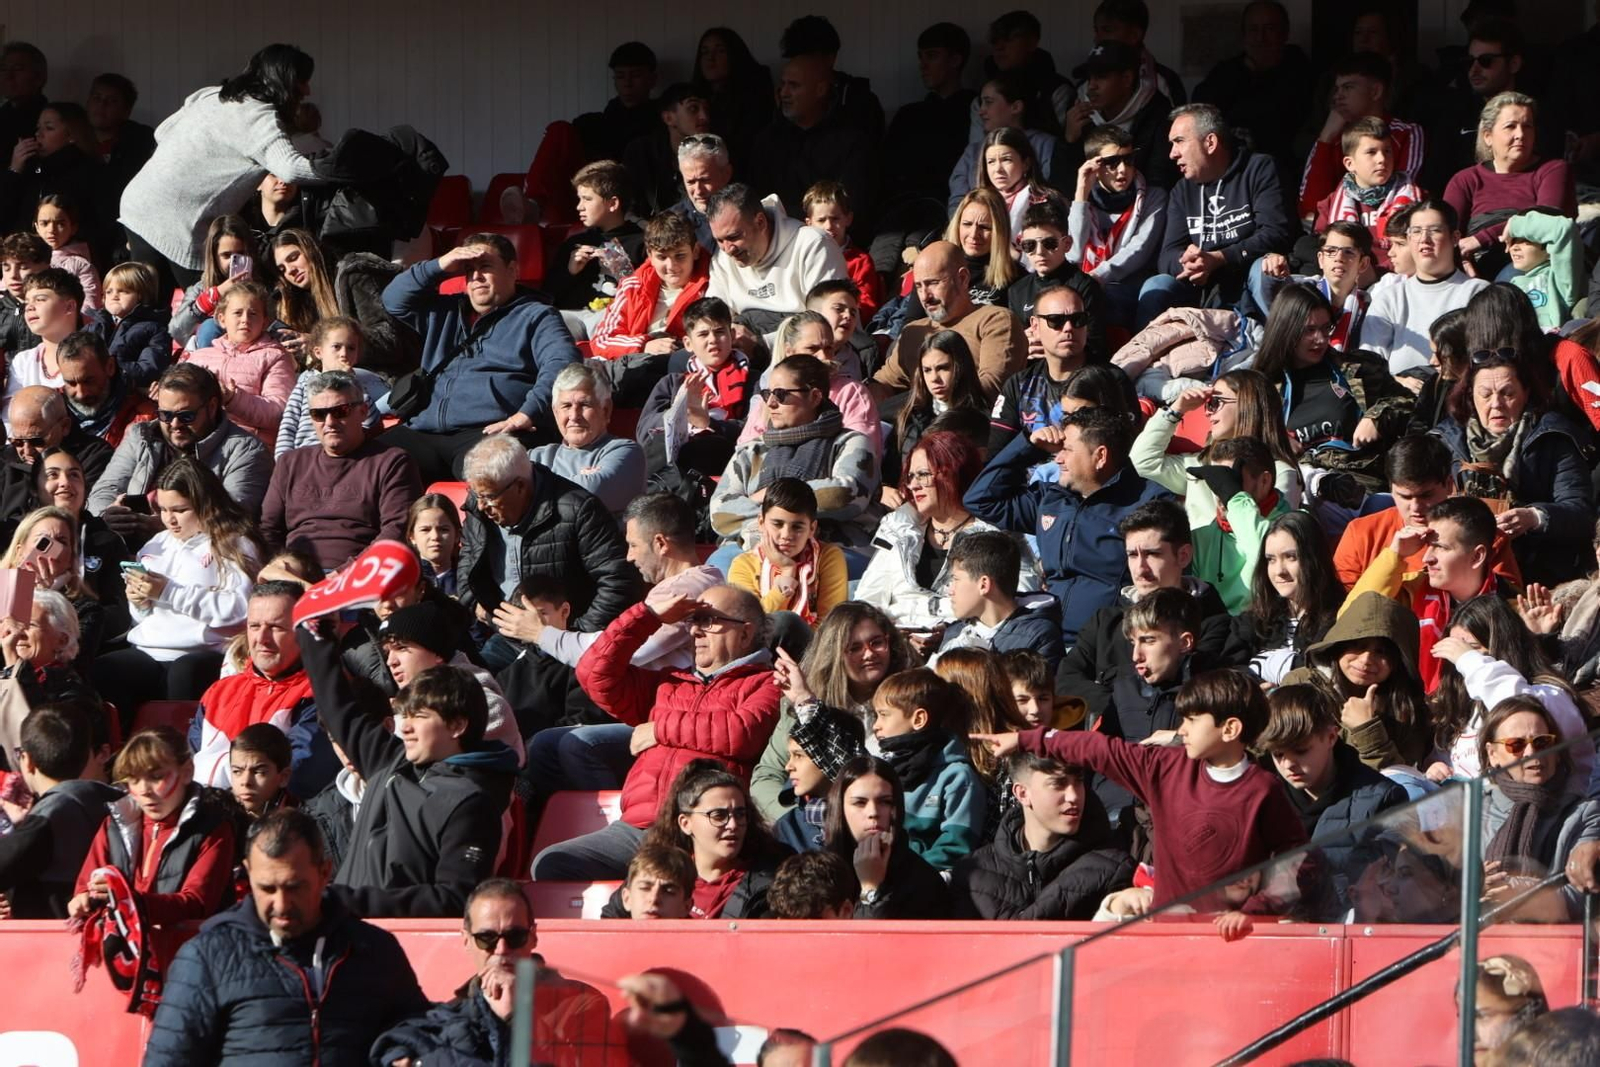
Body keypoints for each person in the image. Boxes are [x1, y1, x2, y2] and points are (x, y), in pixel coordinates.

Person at [975, 668, 1310, 911]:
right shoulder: (1165, 767)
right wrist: (1025, 739)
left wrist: (1258, 909)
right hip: (1168, 933)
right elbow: (1100, 749)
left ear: (1230, 728)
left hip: (1231, 938)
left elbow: (1296, 859)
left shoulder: (1263, 789)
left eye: (1193, 720)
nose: (1182, 729)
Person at [141, 809, 431, 1066]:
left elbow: (415, 1025)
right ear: (248, 873)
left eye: (295, 887)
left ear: (324, 872)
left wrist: (399, 1049)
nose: (281, 905)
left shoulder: (374, 950)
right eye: (267, 888)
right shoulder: (206, 957)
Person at [531, 585, 779, 881]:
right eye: (693, 621)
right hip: (636, 830)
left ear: (745, 633)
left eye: (708, 621)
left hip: (702, 833)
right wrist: (647, 617)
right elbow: (594, 673)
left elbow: (741, 732)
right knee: (552, 863)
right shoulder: (671, 682)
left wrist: (660, 729)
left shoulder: (769, 683)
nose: (695, 632)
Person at [298, 609, 517, 918]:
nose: (406, 728)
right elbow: (339, 709)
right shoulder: (388, 760)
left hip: (402, 953)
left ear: (457, 726)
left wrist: (357, 903)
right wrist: (316, 635)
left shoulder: (472, 802)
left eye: (421, 717)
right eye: (406, 717)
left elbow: (457, 899)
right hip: (345, 937)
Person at [120, 45, 323, 294]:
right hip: (181, 226)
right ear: (287, 80)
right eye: (302, 81)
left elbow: (162, 132)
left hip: (138, 204)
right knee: (213, 310)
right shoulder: (260, 117)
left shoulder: (211, 95)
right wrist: (340, 170)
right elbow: (290, 169)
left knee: (146, 304)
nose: (307, 90)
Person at [381, 232, 582, 483]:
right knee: (365, 467)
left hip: (490, 430)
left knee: (491, 477)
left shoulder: (537, 316)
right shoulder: (445, 311)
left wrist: (528, 412)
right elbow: (393, 300)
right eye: (469, 270)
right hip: (426, 429)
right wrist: (441, 265)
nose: (476, 277)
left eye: (485, 267)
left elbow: (562, 363)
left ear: (512, 270)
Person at [966, 406, 1172, 645]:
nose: (1058, 458)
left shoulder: (1150, 504)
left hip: (1109, 646)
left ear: (1100, 456)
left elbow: (1164, 584)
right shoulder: (1052, 499)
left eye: (1067, 449)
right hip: (1044, 638)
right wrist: (1028, 447)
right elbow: (980, 499)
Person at [373, 877, 628, 1065]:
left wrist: (517, 1016)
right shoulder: (449, 1013)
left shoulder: (581, 1004)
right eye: (487, 938)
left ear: (533, 938)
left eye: (515, 936)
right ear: (466, 940)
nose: (502, 949)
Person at [89, 457, 262, 711]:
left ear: (206, 504)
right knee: (104, 670)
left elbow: (239, 611)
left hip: (203, 653)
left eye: (180, 510)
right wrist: (140, 602)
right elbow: (142, 617)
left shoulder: (235, 544)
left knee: (184, 673)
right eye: (163, 509)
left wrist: (168, 591)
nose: (169, 519)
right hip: (148, 650)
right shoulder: (156, 544)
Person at [457, 435, 640, 672]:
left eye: (489, 497)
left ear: (520, 486)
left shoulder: (578, 510)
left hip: (565, 644)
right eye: (477, 495)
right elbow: (467, 566)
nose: (481, 505)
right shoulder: (479, 508)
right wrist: (482, 608)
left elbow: (620, 582)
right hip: (507, 640)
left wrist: (570, 638)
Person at [1432, 347, 1592, 586]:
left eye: (1507, 393)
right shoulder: (1446, 440)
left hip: (1537, 572)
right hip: (1461, 571)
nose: (1496, 404)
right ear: (1470, 397)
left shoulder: (1553, 437)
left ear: (1526, 392)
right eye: (1485, 394)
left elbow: (1580, 512)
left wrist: (1533, 517)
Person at [858, 431, 1037, 637]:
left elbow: (1014, 601)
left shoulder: (996, 534)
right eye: (910, 476)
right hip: (896, 646)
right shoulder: (899, 527)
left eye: (923, 474)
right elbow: (868, 600)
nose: (913, 485)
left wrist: (949, 635)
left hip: (968, 649)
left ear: (954, 472)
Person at [754, 603, 913, 823]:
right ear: (834, 654)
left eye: (877, 642)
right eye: (854, 648)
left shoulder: (910, 701)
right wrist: (797, 825)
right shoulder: (801, 703)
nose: (869, 654)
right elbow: (767, 777)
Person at [1257, 684, 1407, 916]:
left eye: (1301, 750)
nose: (1288, 764)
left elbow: (1391, 891)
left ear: (1330, 736)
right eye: (1278, 754)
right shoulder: (1261, 797)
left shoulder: (1383, 798)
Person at [1138, 102, 1294, 325]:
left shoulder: (1259, 169)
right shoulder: (1182, 190)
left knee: (1264, 270)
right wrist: (1190, 263)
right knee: (1156, 285)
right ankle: (1144, 357)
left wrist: (1219, 259)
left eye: (1179, 141)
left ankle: (1277, 353)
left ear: (1210, 142)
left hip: (1248, 279)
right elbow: (1167, 255)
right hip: (1201, 288)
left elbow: (1276, 233)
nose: (1172, 154)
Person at [68, 726, 236, 931]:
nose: (143, 790)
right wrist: (84, 901)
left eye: (156, 777)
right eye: (134, 779)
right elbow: (86, 887)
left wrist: (130, 901)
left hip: (189, 955)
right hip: (125, 955)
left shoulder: (213, 828)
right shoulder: (112, 825)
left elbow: (197, 904)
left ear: (187, 772)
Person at [1252, 283, 1413, 494]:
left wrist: (1377, 416)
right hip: (1296, 487)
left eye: (1326, 328)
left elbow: (1408, 402)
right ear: (1286, 329)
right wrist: (1274, 439)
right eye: (1309, 330)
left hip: (1360, 483)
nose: (1320, 339)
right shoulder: (1260, 385)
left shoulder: (1360, 369)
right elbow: (1234, 437)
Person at [709, 354, 877, 553]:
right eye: (767, 394)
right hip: (751, 546)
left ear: (815, 397)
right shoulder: (752, 450)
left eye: (781, 394)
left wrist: (768, 496)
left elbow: (844, 495)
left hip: (833, 547)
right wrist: (784, 519)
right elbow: (720, 513)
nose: (770, 403)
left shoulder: (850, 442)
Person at [89, 362, 273, 540]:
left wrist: (168, 528)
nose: (175, 425)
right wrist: (110, 515)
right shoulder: (141, 436)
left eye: (186, 416)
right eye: (165, 415)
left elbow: (234, 518)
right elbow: (103, 491)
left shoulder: (247, 451)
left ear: (211, 407)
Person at [260, 370, 421, 571]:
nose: (329, 422)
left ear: (362, 412)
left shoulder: (392, 462)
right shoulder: (290, 463)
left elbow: (395, 531)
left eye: (340, 411)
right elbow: (268, 530)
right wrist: (282, 569)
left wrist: (342, 575)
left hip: (362, 575)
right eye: (318, 414)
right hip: (293, 575)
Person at [1348, 495, 1511, 691]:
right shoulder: (1410, 591)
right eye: (1428, 546)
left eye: (1440, 548)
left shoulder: (1513, 609)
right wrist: (1395, 554)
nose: (1427, 558)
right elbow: (1350, 622)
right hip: (1412, 711)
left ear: (1477, 556)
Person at [1428, 594, 1593, 786]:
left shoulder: (1549, 694)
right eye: (1455, 649)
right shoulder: (1465, 702)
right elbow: (1449, 759)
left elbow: (1519, 708)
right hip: (1475, 809)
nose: (1458, 658)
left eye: (1471, 648)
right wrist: (1436, 768)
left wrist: (1470, 661)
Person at [950, 748, 1135, 919]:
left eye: (1078, 781)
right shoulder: (972, 875)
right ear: (1022, 793)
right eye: (1058, 784)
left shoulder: (1114, 868)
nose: (1074, 796)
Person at [185, 580, 327, 796]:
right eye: (254, 626)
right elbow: (191, 767)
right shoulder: (219, 692)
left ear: (303, 631)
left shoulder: (321, 692)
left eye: (276, 627)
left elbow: (299, 776)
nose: (262, 639)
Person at [599, 759, 789, 921]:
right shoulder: (657, 871)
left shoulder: (769, 884)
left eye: (740, 814)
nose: (733, 825)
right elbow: (610, 926)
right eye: (718, 815)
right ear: (685, 823)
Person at [1333, 433, 1520, 590]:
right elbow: (1344, 610)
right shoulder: (1361, 534)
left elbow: (1506, 607)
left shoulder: (1485, 536)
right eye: (1405, 497)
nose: (1415, 507)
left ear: (1449, 485)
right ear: (1390, 488)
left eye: (1425, 495)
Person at [1476, 696, 1600, 923]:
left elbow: (1581, 897)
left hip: (1554, 948)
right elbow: (1435, 891)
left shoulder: (1584, 814)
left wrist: (1514, 894)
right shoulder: (1471, 812)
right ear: (1493, 754)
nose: (1532, 753)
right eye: (1516, 745)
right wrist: (1470, 888)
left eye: (1542, 742)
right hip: (1476, 946)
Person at [1132, 368, 1300, 533]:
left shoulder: (1281, 473)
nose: (1207, 412)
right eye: (1207, 405)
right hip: (1198, 560)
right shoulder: (1199, 464)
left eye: (1215, 402)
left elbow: (1275, 538)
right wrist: (1176, 410)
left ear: (1247, 404)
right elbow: (1141, 462)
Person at [1281, 590, 1429, 770]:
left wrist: (1368, 730)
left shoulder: (1408, 708)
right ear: (1339, 645)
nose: (1366, 659)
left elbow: (1403, 782)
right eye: (1357, 646)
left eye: (1381, 652)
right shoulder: (1302, 684)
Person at [0, 704, 119, 918]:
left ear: (27, 761)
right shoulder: (114, 798)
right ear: (86, 756)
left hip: (54, 940)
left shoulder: (51, 813)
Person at [1442, 91, 1576, 280]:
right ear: (1488, 136)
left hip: (1534, 266)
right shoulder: (1465, 180)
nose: (1520, 134)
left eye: (1527, 126)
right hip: (1476, 268)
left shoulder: (1552, 170)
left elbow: (1547, 219)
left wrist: (1481, 239)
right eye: (1510, 127)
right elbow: (1446, 234)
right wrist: (1462, 264)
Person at [872, 241, 1026, 404]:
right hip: (917, 423)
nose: (925, 296)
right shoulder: (914, 332)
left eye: (933, 283)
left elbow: (991, 388)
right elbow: (883, 384)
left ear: (962, 278)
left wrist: (924, 406)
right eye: (918, 286)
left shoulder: (995, 321)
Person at [379, 599, 524, 764]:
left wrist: (391, 728)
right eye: (387, 652)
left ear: (438, 654)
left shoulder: (484, 705)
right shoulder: (403, 704)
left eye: (401, 648)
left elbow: (434, 775)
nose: (391, 661)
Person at [1192, 1, 1315, 191]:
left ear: (1285, 33)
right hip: (1229, 178)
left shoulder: (1302, 74)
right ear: (1244, 35)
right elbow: (1201, 114)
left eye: (1270, 29)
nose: (1261, 38)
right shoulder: (1227, 73)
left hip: (1285, 177)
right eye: (1253, 30)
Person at [705, 183, 849, 344]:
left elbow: (829, 326)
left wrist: (760, 344)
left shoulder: (814, 245)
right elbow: (710, 320)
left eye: (734, 237)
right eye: (719, 240)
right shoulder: (722, 259)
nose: (728, 249)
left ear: (760, 222)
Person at [751, 55, 876, 234]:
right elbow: (756, 203)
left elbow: (853, 206)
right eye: (783, 84)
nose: (784, 92)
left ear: (820, 89)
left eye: (793, 85)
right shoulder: (767, 141)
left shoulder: (851, 142)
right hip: (776, 244)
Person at [1363, 201, 1488, 378]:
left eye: (1434, 230)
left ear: (1455, 237)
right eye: (1416, 231)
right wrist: (1396, 383)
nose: (1424, 239)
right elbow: (1369, 364)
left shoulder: (1479, 293)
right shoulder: (1390, 298)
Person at [587, 210, 710, 387]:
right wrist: (644, 344)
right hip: (637, 366)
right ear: (650, 256)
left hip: (683, 370)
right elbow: (601, 339)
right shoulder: (633, 286)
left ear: (695, 251)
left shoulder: (708, 286)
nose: (671, 266)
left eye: (680, 255)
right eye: (662, 257)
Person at [1296, 53, 1425, 221]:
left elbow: (1405, 195)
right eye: (1337, 89)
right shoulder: (1330, 136)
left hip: (1389, 232)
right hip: (1335, 234)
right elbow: (1310, 209)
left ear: (1375, 91)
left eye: (1348, 87)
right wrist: (1325, 139)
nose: (1338, 96)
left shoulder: (1406, 133)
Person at [824, 756, 951, 919]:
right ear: (840, 808)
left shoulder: (923, 881)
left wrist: (870, 890)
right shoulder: (817, 874)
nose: (873, 813)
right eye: (860, 803)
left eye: (885, 802)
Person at [1227, 509, 1344, 685]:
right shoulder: (1254, 619)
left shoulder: (1342, 619)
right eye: (1271, 559)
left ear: (1315, 558)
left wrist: (1277, 666)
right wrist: (1256, 687)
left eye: (1290, 557)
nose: (1279, 571)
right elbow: (1228, 669)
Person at [1069, 124, 1168, 326]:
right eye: (1112, 162)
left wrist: (1097, 276)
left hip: (1131, 283)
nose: (1123, 169)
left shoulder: (1153, 197)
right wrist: (1080, 196)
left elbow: (1139, 249)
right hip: (1089, 281)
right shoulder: (1082, 202)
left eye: (1129, 160)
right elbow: (1074, 254)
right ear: (1094, 167)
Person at [527, 362, 645, 524]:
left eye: (584, 405)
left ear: (606, 410)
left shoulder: (627, 452)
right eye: (566, 406)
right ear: (555, 413)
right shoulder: (536, 456)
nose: (574, 415)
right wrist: (580, 479)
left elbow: (590, 492)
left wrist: (534, 489)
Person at [728, 478, 846, 637]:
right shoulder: (744, 564)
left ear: (812, 528)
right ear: (761, 523)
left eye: (797, 527)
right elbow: (754, 626)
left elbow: (830, 623)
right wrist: (787, 572)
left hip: (814, 651)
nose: (786, 535)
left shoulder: (829, 557)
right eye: (777, 524)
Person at [1187, 436, 1289, 613]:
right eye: (1216, 481)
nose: (1221, 492)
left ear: (1264, 482)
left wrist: (1234, 498)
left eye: (1231, 481)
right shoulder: (1199, 539)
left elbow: (1264, 552)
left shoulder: (1294, 526)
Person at [880, 22, 976, 210]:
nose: (923, 65)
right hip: (907, 210)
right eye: (921, 57)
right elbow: (887, 172)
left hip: (958, 208)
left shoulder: (977, 111)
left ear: (955, 60)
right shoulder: (908, 116)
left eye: (932, 56)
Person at [1309, 117, 1423, 272]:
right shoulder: (1329, 205)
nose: (1382, 159)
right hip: (1350, 281)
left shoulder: (1416, 200)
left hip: (1399, 280)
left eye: (1387, 151)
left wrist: (1375, 274)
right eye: (1371, 152)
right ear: (1350, 163)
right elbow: (1324, 252)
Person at [935, 531, 1062, 671]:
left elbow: (1034, 690)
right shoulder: (955, 633)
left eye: (956, 580)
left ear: (984, 585)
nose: (950, 590)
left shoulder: (1039, 637)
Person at [1007, 200, 1111, 363]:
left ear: (1067, 244)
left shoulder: (1084, 286)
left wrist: (1053, 346)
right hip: (1030, 372)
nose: (1039, 252)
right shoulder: (1017, 291)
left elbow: (1096, 347)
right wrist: (1022, 344)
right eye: (1030, 245)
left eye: (1049, 243)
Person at [1060, 41, 1176, 188]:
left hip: (1143, 206)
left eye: (1101, 77)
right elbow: (1061, 187)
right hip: (1088, 206)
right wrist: (1069, 142)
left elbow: (1160, 182)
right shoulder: (1079, 111)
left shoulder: (1158, 113)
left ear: (1127, 78)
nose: (1092, 86)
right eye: (1090, 78)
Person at [0, 382, 110, 532]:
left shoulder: (93, 456)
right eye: (17, 442)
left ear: (64, 426)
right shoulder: (3, 459)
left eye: (37, 441)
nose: (27, 451)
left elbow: (79, 511)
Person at [884, 331, 987, 490]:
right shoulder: (908, 416)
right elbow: (890, 470)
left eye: (943, 368)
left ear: (960, 366)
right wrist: (884, 489)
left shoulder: (980, 420)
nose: (934, 378)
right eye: (927, 370)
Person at [274, 316, 387, 457]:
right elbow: (288, 425)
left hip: (343, 458)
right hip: (304, 460)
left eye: (351, 348)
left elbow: (372, 423)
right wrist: (283, 461)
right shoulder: (305, 384)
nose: (344, 354)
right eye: (336, 347)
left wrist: (354, 385)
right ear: (318, 352)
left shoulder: (358, 387)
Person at [548, 160, 646, 322]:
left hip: (618, 319)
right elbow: (549, 295)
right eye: (579, 199)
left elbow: (648, 295)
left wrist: (622, 269)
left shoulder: (641, 243)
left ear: (613, 203)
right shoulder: (575, 244)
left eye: (587, 199)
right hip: (572, 318)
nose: (579, 207)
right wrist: (570, 272)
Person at [948, 78, 1060, 215]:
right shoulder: (973, 151)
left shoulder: (1044, 144)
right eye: (990, 161)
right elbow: (957, 202)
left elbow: (1051, 192)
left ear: (1016, 107)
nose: (981, 111)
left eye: (989, 102)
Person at [167, 214, 262, 348]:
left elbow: (273, 321)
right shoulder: (201, 288)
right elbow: (176, 330)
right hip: (214, 356)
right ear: (214, 257)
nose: (232, 262)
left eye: (240, 254)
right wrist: (212, 297)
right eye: (226, 255)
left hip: (254, 351)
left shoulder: (262, 285)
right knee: (210, 326)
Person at [3, 267, 82, 423]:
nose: (30, 307)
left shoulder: (92, 356)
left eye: (40, 299)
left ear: (69, 307)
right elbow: (9, 414)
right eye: (27, 303)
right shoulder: (23, 361)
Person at [86, 261, 172, 392]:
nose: (114, 296)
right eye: (108, 292)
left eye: (123, 291)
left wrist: (109, 367)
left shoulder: (154, 329)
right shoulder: (95, 326)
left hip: (128, 393)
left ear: (141, 295)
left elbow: (149, 369)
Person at [692, 28, 773, 165]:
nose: (710, 58)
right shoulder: (693, 98)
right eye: (705, 52)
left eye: (720, 51)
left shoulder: (754, 99)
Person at [802, 182, 882, 321]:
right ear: (809, 224)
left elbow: (867, 305)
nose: (828, 226)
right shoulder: (802, 257)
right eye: (821, 220)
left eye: (835, 219)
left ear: (848, 219)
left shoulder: (860, 261)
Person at [572, 41, 660, 163]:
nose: (627, 83)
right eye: (620, 76)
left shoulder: (665, 122)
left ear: (652, 79)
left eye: (635, 75)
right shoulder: (592, 125)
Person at [1504, 210, 1583, 330]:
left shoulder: (1559, 278)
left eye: (1526, 242)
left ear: (1550, 248)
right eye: (1513, 241)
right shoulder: (1513, 284)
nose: (1514, 247)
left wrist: (1514, 225)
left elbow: (1564, 229)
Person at [32, 193, 101, 310]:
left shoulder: (81, 266)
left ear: (73, 227)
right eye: (44, 223)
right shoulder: (26, 260)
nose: (51, 230)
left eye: (60, 224)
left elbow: (90, 308)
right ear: (37, 227)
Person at [670, 132, 733, 253]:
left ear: (726, 174)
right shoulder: (670, 224)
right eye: (690, 182)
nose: (698, 191)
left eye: (705, 180)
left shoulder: (747, 214)